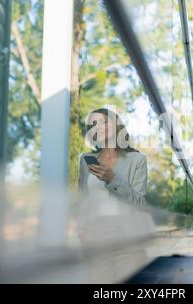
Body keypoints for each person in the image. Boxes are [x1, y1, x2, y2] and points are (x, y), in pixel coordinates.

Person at [77, 108, 150, 282]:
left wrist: (112, 179)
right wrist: (82, 230)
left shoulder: (137, 160)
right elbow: (83, 199)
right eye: (93, 124)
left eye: (103, 122)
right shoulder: (86, 159)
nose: (98, 127)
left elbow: (139, 201)